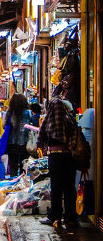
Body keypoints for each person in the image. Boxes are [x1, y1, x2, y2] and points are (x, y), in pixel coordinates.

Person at [37, 96, 79, 229]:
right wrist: (69, 147)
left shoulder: (47, 119)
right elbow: (75, 136)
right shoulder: (69, 119)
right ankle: (71, 218)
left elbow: (40, 137)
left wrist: (43, 148)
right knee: (69, 187)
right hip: (68, 156)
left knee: (56, 187)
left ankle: (55, 217)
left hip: (54, 157)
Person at [5, 93, 34, 177]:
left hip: (12, 143)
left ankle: (13, 185)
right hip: (25, 144)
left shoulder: (10, 113)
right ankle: (22, 185)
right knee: (24, 166)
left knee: (13, 167)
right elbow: (33, 126)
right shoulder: (28, 113)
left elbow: (5, 126)